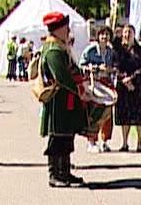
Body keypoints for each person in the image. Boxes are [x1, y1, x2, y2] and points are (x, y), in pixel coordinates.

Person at [38, 12, 87, 187]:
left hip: (66, 100)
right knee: (57, 137)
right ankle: (54, 173)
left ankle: (65, 172)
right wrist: (79, 89)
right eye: (65, 26)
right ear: (58, 29)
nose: (68, 30)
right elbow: (62, 77)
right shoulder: (53, 50)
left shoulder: (60, 47)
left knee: (66, 137)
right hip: (58, 101)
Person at [113, 24, 141, 152]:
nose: (127, 35)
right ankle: (124, 143)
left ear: (134, 34)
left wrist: (131, 79)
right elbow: (115, 67)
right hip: (123, 86)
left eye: (129, 32)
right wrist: (124, 79)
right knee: (124, 115)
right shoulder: (118, 50)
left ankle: (140, 144)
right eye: (125, 32)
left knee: (139, 116)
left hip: (138, 85)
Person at [82, 25, 114, 152]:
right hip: (94, 83)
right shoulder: (90, 50)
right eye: (102, 34)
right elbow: (81, 65)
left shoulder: (111, 52)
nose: (105, 37)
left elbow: (115, 66)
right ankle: (91, 141)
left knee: (107, 114)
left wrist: (111, 69)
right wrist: (95, 67)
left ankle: (105, 140)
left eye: (107, 35)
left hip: (107, 84)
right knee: (94, 113)